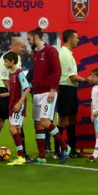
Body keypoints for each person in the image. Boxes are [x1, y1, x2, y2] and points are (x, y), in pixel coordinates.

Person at [26, 27, 69, 164]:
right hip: (37, 93)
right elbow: (38, 74)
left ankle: (65, 147)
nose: (28, 42)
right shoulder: (36, 53)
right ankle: (41, 156)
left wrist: (53, 89)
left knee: (45, 122)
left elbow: (57, 71)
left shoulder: (50, 51)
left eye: (29, 39)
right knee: (37, 124)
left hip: (48, 92)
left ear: (35, 37)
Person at [0, 37, 27, 162]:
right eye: (21, 47)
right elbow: (5, 81)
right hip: (6, 92)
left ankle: (23, 154)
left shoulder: (17, 59)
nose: (23, 49)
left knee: (18, 125)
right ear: (15, 45)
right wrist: (14, 91)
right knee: (0, 123)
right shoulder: (5, 59)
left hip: (14, 95)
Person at [58, 29, 93, 158]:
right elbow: (72, 77)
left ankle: (72, 150)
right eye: (76, 37)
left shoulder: (67, 53)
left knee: (72, 118)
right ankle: (59, 150)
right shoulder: (65, 55)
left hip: (70, 89)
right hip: (65, 88)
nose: (78, 40)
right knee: (63, 119)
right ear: (70, 38)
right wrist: (87, 80)